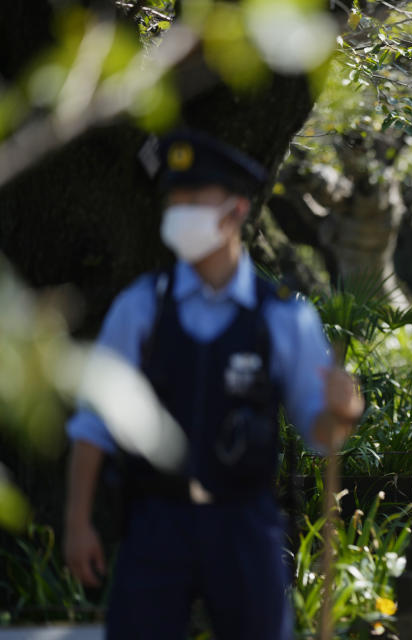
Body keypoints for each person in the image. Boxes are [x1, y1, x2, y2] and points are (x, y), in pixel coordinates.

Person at [62, 130, 363, 639]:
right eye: (174, 200)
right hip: (155, 521)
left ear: (236, 210)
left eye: (195, 200)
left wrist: (346, 409)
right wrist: (77, 522)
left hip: (243, 523)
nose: (181, 212)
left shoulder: (282, 317)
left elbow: (320, 433)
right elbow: (95, 424)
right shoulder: (142, 308)